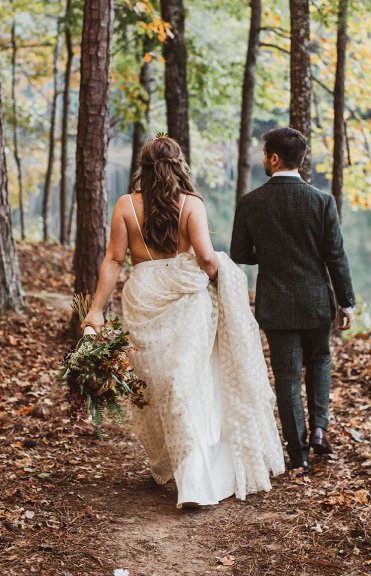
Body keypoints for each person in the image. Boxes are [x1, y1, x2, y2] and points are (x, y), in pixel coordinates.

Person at [82, 135, 285, 508]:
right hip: (187, 297)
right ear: (179, 166)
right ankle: (192, 475)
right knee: (186, 381)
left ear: (143, 168)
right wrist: (222, 274)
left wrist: (97, 309)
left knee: (159, 385)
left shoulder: (126, 205)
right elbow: (207, 258)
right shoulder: (191, 204)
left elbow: (113, 260)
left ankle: (185, 471)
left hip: (143, 296)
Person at [230, 127, 356, 473]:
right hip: (316, 301)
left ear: (273, 158)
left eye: (264, 154)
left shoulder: (250, 202)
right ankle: (318, 429)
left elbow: (240, 252)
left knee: (286, 376)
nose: (262, 159)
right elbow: (336, 257)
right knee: (319, 361)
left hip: (276, 304)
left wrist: (270, 256)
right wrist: (346, 302)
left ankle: (298, 454)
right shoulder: (322, 201)